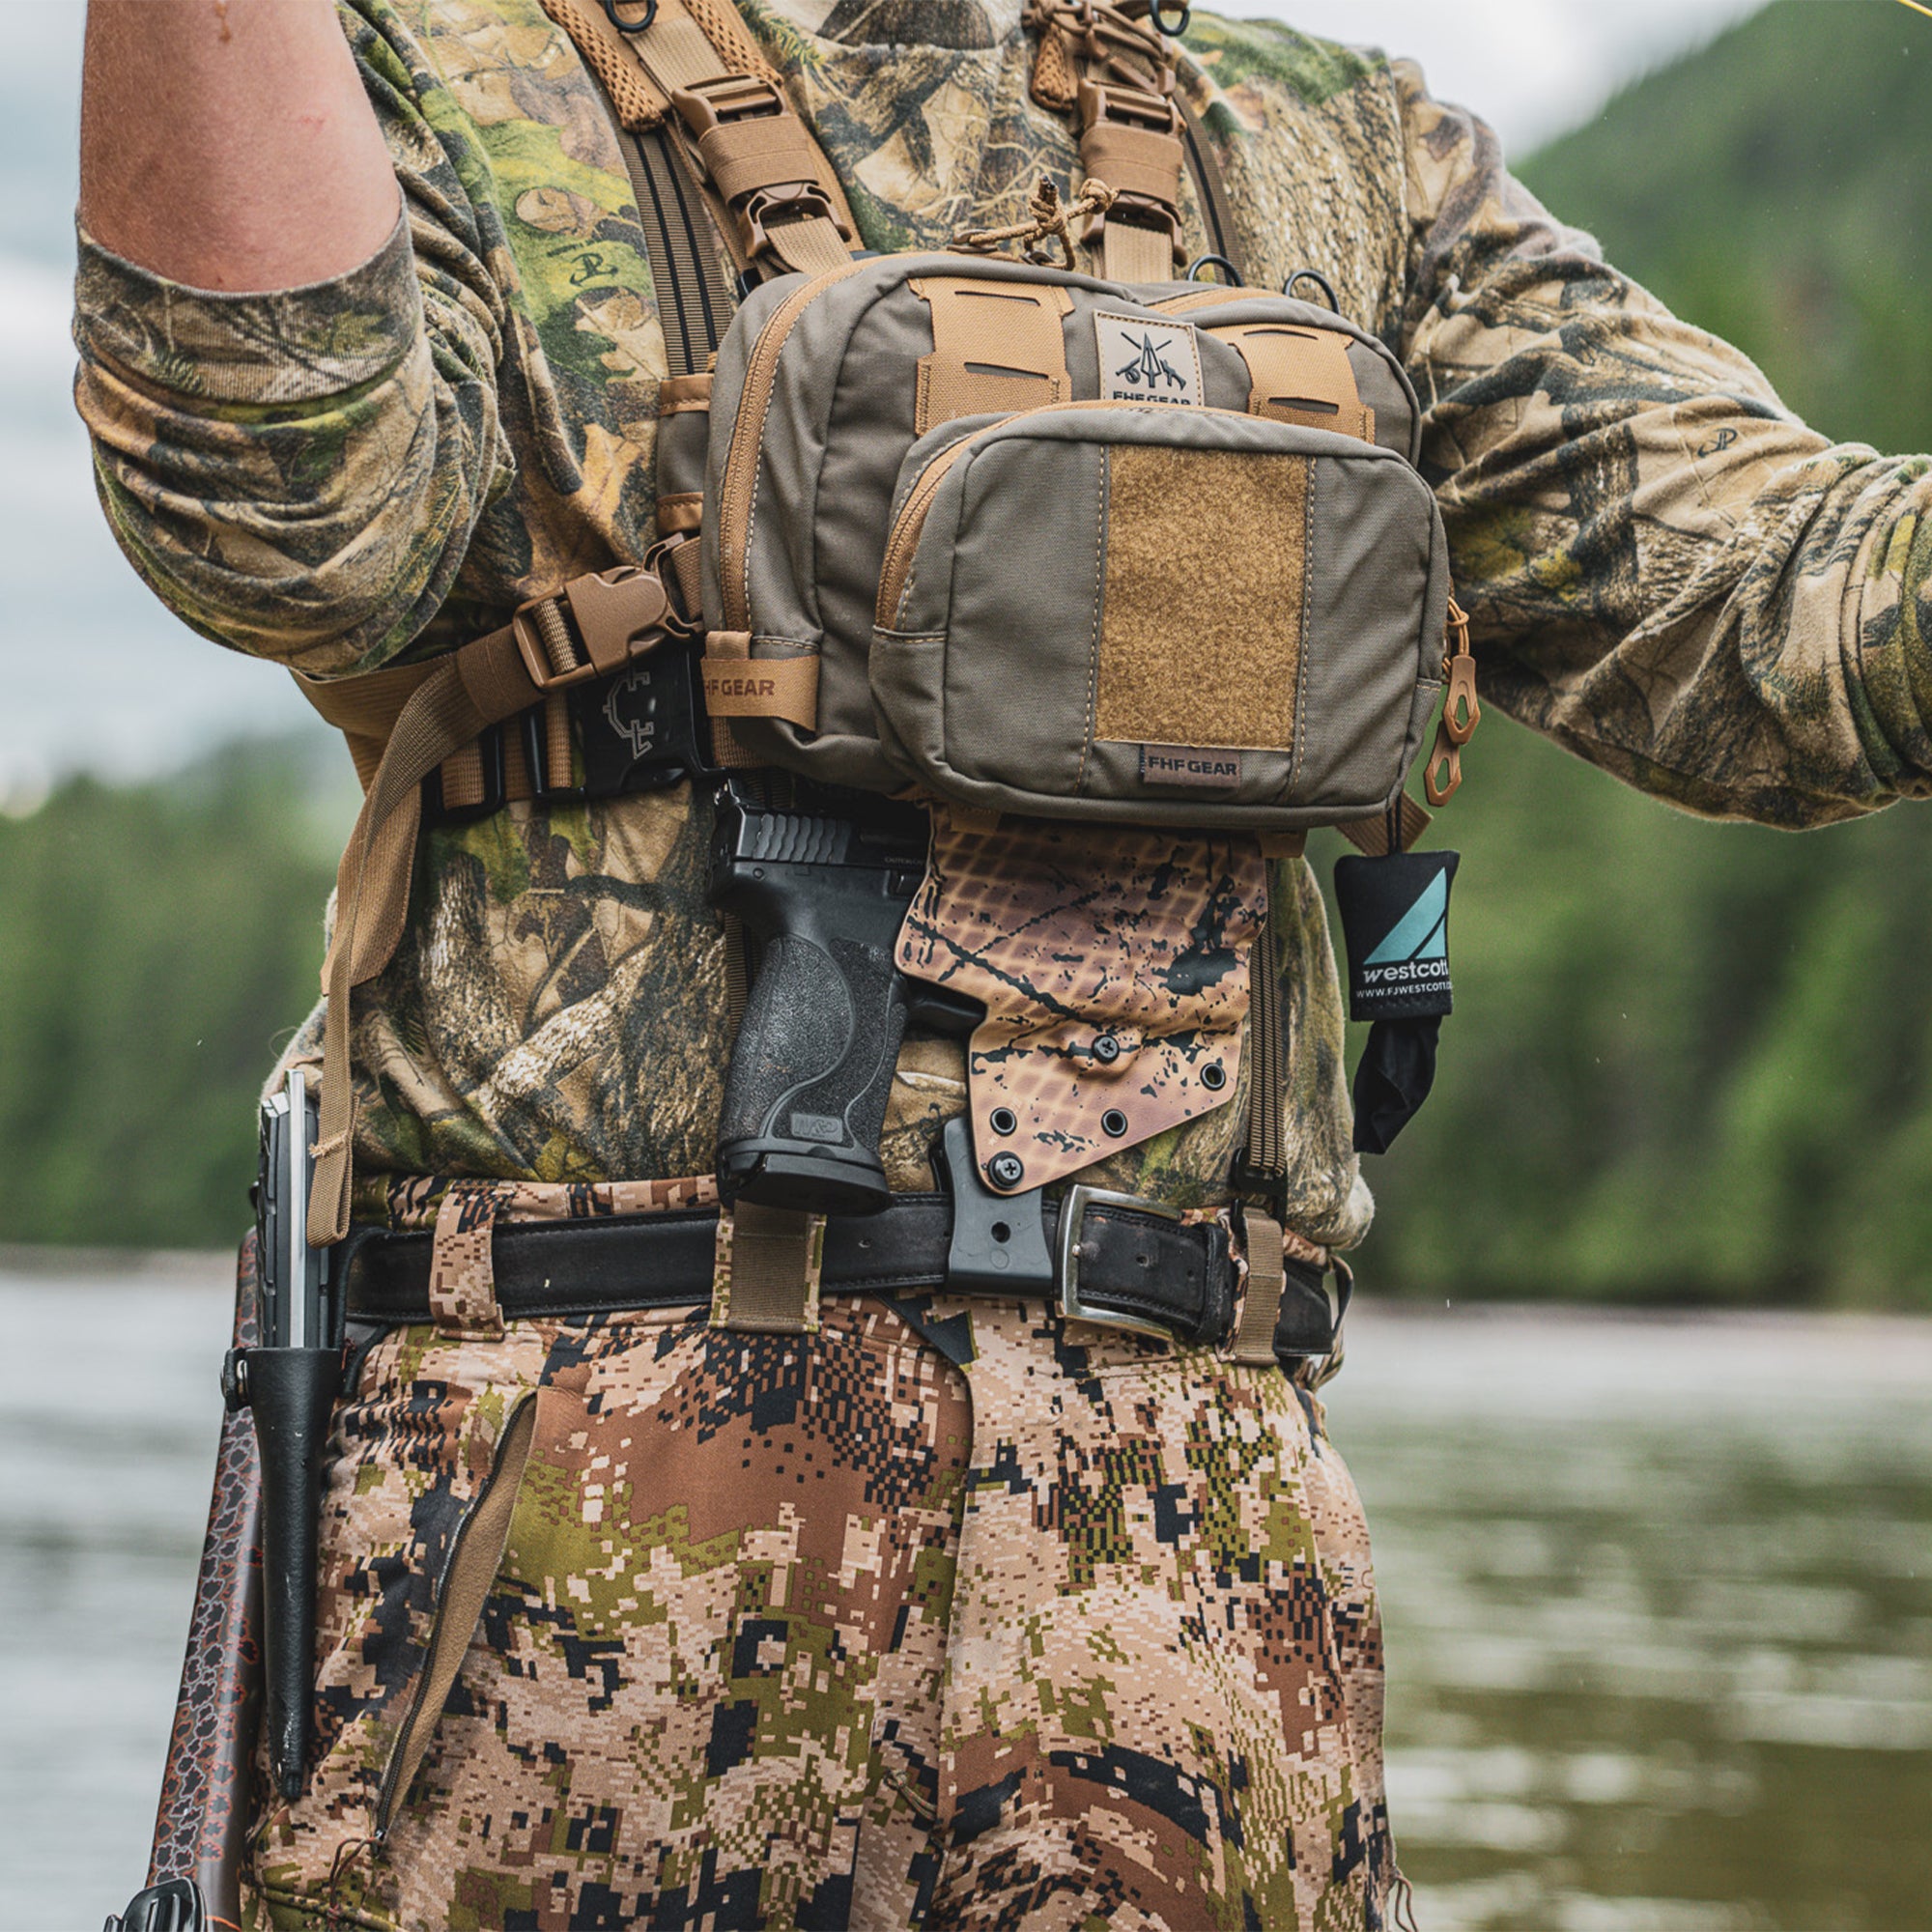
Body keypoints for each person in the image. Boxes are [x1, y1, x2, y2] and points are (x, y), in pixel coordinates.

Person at [72, 1, 1932, 1927]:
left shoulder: (1321, 143)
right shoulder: (454, 66)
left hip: (1192, 1608)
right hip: (577, 1588)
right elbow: (277, 514)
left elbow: (1782, 623)